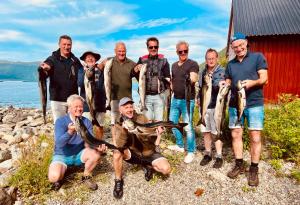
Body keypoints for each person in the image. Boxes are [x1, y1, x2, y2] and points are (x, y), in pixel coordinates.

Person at [224, 33, 268, 186]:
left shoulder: (257, 57)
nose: (238, 48)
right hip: (235, 104)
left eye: (241, 45)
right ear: (232, 48)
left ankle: (254, 169)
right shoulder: (230, 64)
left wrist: (252, 83)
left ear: (246, 43)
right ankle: (239, 164)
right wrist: (225, 85)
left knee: (255, 136)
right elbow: (228, 81)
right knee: (236, 134)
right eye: (235, 47)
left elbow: (264, 79)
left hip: (254, 103)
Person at [111, 97, 171, 199]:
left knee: (166, 169)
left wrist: (159, 133)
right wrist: (124, 131)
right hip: (134, 154)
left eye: (131, 106)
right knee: (117, 152)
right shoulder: (118, 124)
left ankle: (147, 165)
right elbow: (119, 145)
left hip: (149, 152)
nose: (129, 109)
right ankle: (118, 180)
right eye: (126, 107)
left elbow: (152, 136)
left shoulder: (142, 118)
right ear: (120, 110)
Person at [48, 94, 107, 191]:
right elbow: (59, 143)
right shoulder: (61, 121)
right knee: (54, 177)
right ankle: (63, 171)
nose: (79, 109)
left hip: (79, 154)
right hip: (62, 155)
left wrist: (97, 147)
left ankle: (86, 176)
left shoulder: (87, 122)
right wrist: (70, 132)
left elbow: (89, 142)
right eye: (76, 106)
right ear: (69, 108)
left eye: (81, 107)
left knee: (96, 153)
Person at [167, 41, 199, 164]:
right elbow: (173, 79)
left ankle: (191, 151)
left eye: (185, 51)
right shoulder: (174, 65)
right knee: (172, 123)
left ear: (188, 50)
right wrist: (169, 84)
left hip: (187, 100)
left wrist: (190, 79)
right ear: (177, 52)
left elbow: (194, 77)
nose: (183, 53)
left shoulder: (193, 64)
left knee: (188, 127)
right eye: (180, 51)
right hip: (175, 99)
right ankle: (180, 145)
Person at [40, 35, 82, 122]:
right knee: (60, 124)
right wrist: (46, 68)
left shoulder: (75, 60)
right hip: (57, 99)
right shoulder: (52, 59)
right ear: (59, 44)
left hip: (73, 99)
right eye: (64, 44)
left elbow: (83, 74)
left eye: (69, 45)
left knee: (75, 124)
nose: (66, 47)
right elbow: (47, 66)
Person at [97, 42, 138, 125]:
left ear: (126, 51)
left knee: (127, 122)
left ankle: (126, 136)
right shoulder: (109, 61)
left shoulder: (132, 63)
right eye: (119, 51)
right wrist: (101, 64)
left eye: (123, 51)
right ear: (115, 51)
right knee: (114, 122)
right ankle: (115, 137)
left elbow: (139, 78)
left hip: (127, 98)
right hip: (113, 98)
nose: (121, 53)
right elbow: (98, 69)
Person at [198, 48, 225, 168]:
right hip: (204, 107)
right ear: (206, 60)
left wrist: (217, 84)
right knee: (206, 132)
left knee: (217, 131)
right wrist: (198, 98)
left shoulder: (222, 71)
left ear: (217, 58)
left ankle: (219, 156)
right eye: (208, 59)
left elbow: (223, 87)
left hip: (216, 107)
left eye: (213, 58)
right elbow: (200, 88)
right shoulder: (202, 73)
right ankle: (208, 153)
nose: (211, 60)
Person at [136, 37, 171, 121]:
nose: (153, 49)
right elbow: (133, 73)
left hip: (159, 96)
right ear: (147, 48)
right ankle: (150, 134)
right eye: (151, 47)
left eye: (155, 47)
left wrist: (168, 93)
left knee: (158, 123)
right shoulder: (142, 60)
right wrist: (137, 68)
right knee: (148, 122)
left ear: (158, 47)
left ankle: (159, 134)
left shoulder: (164, 61)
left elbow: (168, 77)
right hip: (145, 96)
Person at [78, 51, 106, 139]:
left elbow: (103, 85)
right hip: (86, 105)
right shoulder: (81, 70)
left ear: (95, 59)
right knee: (86, 127)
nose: (90, 58)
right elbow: (80, 83)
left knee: (99, 127)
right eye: (88, 57)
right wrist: (86, 72)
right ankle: (87, 147)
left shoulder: (101, 70)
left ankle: (99, 146)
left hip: (100, 104)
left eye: (92, 57)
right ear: (85, 60)